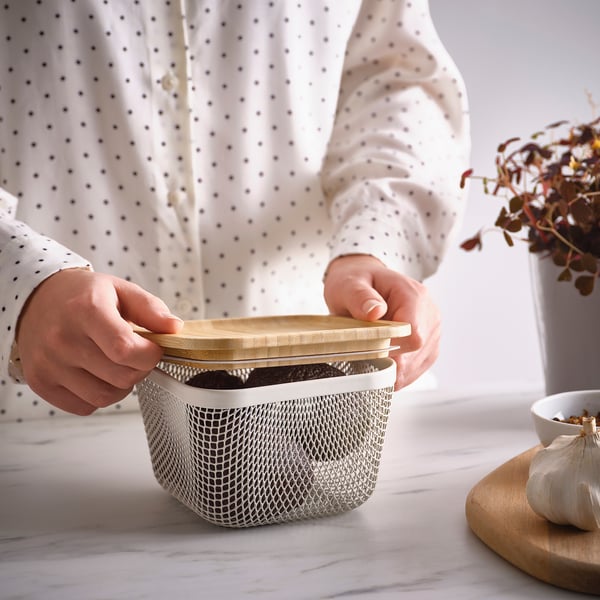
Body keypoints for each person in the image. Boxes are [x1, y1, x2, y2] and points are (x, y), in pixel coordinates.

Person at [0, 0, 470, 421]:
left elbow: (393, 82)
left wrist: (374, 244)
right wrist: (21, 281)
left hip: (339, 404)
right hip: (41, 416)